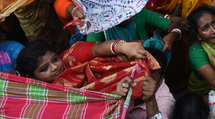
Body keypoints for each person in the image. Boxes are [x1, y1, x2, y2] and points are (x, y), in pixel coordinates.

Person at [16, 38, 156, 98]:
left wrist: (122, 47)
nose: (54, 68)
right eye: (44, 69)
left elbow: (96, 50)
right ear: (32, 78)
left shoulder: (71, 57)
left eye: (54, 59)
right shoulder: (41, 96)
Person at [120, 48, 176, 119]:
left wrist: (150, 100)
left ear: (161, 79)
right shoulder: (127, 79)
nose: (142, 82)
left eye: (150, 78)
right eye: (139, 75)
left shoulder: (166, 101)